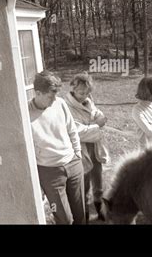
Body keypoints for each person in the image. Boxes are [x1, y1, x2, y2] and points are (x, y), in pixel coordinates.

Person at [28, 70, 85, 224]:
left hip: (73, 164)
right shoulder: (26, 114)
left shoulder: (60, 103)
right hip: (50, 173)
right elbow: (28, 151)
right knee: (64, 219)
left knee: (80, 216)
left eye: (56, 94)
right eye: (50, 96)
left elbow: (72, 129)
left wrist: (77, 154)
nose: (54, 99)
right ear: (38, 93)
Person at [64, 72, 109, 222]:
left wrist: (99, 118)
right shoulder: (67, 106)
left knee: (99, 183)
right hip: (81, 150)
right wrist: (97, 125)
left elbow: (96, 114)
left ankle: (100, 209)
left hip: (94, 148)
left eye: (87, 92)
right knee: (84, 187)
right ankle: (84, 216)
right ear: (73, 88)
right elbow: (77, 132)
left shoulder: (88, 101)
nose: (84, 95)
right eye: (80, 92)